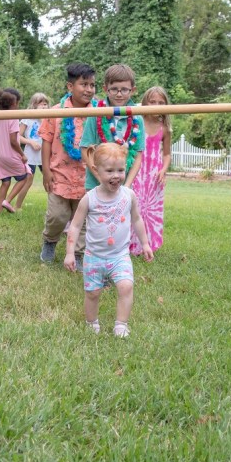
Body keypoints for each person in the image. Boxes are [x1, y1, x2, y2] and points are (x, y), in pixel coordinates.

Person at [64, 143, 154, 337]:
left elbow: (137, 219)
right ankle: (91, 322)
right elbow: (75, 226)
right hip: (94, 256)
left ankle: (121, 324)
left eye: (121, 170)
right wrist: (70, 253)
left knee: (126, 286)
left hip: (119, 255)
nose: (116, 175)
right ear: (96, 170)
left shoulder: (128, 196)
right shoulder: (90, 199)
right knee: (93, 293)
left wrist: (145, 243)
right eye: (110, 170)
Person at [38, 63, 96, 265]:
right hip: (59, 175)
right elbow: (46, 140)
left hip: (87, 177)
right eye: (84, 84)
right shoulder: (56, 112)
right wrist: (46, 170)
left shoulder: (99, 113)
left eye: (92, 85)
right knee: (58, 215)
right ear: (70, 87)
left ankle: (79, 255)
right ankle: (50, 240)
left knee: (84, 221)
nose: (89, 89)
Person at [80, 64, 146, 191]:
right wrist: (102, 180)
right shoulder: (95, 114)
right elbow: (85, 150)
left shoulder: (138, 119)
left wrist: (127, 186)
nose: (119, 94)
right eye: (114, 89)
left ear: (133, 90)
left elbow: (138, 156)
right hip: (96, 186)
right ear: (106, 89)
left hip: (123, 187)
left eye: (124, 90)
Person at [130, 86, 172, 255]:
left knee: (150, 209)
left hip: (154, 175)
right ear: (145, 102)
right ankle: (130, 245)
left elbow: (167, 154)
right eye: (152, 101)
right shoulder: (137, 121)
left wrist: (164, 170)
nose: (156, 105)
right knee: (134, 206)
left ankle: (148, 245)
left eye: (161, 103)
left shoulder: (165, 128)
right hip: (137, 172)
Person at [0, 88, 31, 214]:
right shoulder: (13, 118)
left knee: (6, 182)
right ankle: (7, 201)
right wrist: (22, 154)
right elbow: (13, 141)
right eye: (18, 103)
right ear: (13, 103)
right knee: (25, 176)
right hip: (11, 155)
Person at [16, 92, 51, 211]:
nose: (44, 106)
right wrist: (31, 142)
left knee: (49, 180)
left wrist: (44, 120)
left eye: (45, 104)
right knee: (28, 180)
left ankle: (54, 207)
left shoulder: (49, 119)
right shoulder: (27, 119)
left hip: (45, 156)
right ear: (34, 105)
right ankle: (17, 206)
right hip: (30, 155)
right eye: (41, 104)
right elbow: (18, 137)